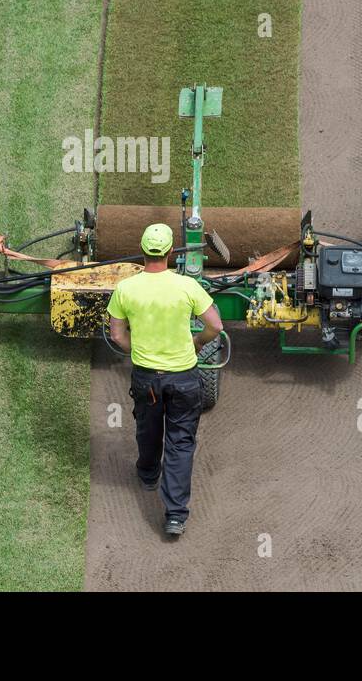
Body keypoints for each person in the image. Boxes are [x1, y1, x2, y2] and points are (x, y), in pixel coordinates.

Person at [106, 223, 223, 537]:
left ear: (143, 252)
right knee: (180, 443)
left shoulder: (125, 289)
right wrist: (198, 344)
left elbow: (117, 335)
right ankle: (174, 515)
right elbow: (215, 325)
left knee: (148, 428)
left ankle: (147, 474)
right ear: (171, 252)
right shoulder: (186, 286)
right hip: (184, 378)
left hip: (147, 380)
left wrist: (139, 349)